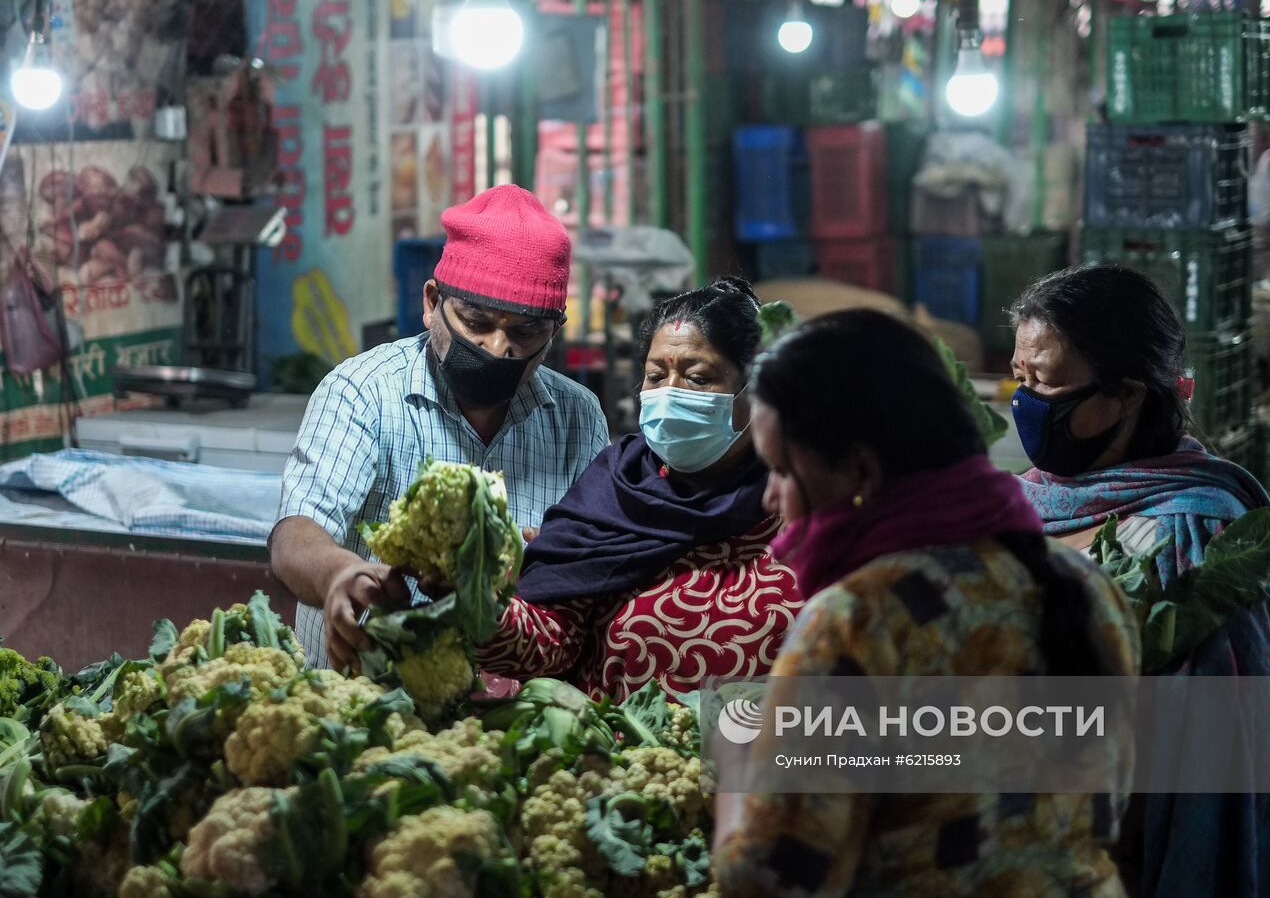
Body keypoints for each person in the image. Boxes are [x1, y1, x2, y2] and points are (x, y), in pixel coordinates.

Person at [713, 309, 1141, 897]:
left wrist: (738, 766)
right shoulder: (1086, 587)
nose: (769, 498)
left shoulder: (859, 620)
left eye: (783, 470)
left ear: (860, 468)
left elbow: (771, 880)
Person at [1008, 266, 1270, 898]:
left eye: (1047, 382)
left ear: (1127, 394)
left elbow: (1211, 746)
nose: (1027, 402)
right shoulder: (1021, 504)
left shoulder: (1197, 533)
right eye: (1021, 378)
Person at [271, 185, 609, 671]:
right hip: (361, 701)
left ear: (554, 331)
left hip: (501, 712)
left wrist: (542, 563)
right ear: (433, 302)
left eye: (524, 332)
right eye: (475, 322)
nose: (497, 348)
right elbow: (296, 534)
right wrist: (340, 572)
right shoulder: (362, 392)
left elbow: (587, 567)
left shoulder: (577, 417)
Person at [473, 277, 804, 700]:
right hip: (624, 759)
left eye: (697, 378)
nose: (670, 394)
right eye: (655, 375)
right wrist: (475, 592)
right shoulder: (610, 497)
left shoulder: (798, 501)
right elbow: (542, 648)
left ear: (755, 391)